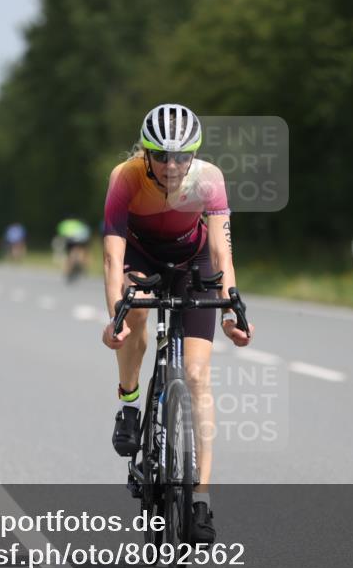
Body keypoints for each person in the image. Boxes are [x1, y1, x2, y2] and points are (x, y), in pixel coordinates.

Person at [101, 103, 253, 544]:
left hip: (194, 260)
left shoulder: (209, 179)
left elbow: (224, 255)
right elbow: (112, 257)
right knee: (138, 311)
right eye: (162, 156)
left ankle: (200, 501)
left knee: (198, 376)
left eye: (182, 156)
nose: (172, 166)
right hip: (140, 258)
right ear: (145, 154)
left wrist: (231, 311)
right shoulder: (124, 178)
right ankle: (130, 403)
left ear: (194, 155)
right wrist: (117, 314)